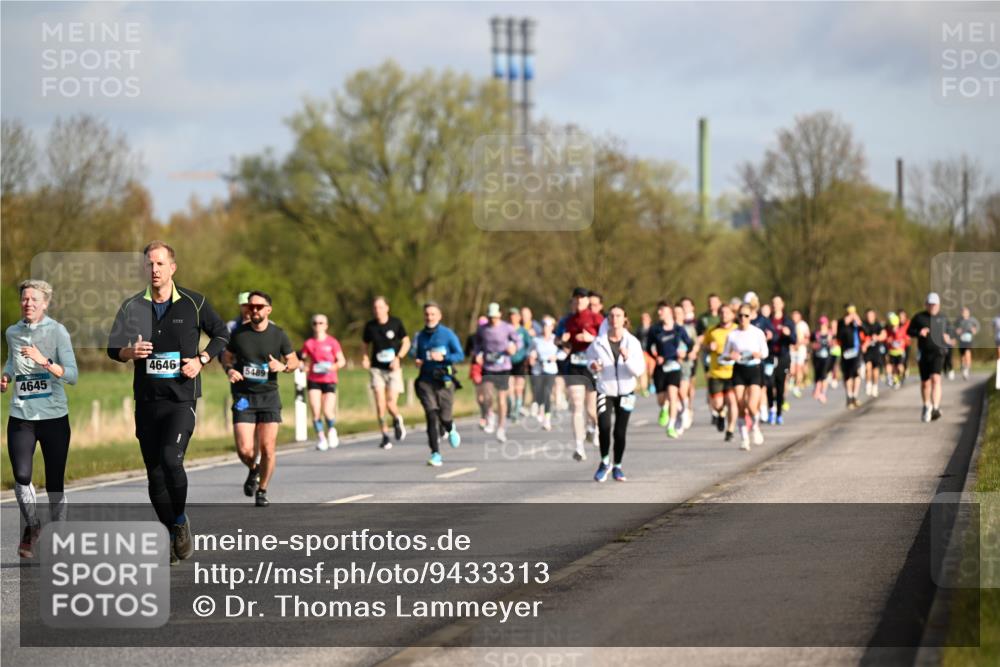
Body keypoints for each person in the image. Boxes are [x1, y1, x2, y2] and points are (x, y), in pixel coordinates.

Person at [107, 241, 229, 565]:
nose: (155, 270)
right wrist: (129, 353)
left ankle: (179, 523)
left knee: (171, 459)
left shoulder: (194, 302)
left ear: (172, 268)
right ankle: (170, 529)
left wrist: (202, 359)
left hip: (180, 399)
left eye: (160, 264)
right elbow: (112, 348)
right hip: (147, 400)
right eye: (149, 265)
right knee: (154, 474)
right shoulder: (132, 306)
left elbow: (221, 335)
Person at [2, 280, 78, 558]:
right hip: (21, 414)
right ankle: (32, 527)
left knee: (55, 483)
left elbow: (72, 375)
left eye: (34, 299)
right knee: (21, 477)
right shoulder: (12, 332)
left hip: (54, 417)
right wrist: (7, 375)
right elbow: (12, 361)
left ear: (45, 303)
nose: (28, 303)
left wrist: (43, 360)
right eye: (24, 299)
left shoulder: (58, 332)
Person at [222, 291, 299, 507]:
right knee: (245, 449)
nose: (254, 310)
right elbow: (226, 356)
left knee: (267, 448)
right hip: (244, 396)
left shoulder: (278, 335)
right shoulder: (238, 334)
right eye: (251, 306)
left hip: (269, 397)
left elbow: (294, 362)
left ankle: (262, 490)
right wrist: (229, 370)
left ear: (268, 310)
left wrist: (282, 366)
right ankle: (254, 469)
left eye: (259, 306)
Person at [587, 305, 646, 482]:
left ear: (624, 319)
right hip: (605, 390)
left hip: (627, 392)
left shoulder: (633, 343)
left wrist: (627, 358)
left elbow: (639, 370)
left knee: (620, 432)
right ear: (608, 319)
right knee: (604, 427)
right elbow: (588, 360)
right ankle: (605, 462)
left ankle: (618, 466)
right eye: (611, 316)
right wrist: (592, 366)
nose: (614, 319)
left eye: (618, 316)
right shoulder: (598, 343)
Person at [412, 302, 464, 465]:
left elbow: (460, 355)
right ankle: (435, 453)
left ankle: (450, 427)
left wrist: (444, 358)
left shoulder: (447, 334)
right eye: (427, 314)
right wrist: (417, 359)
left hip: (444, 381)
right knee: (431, 415)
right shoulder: (419, 336)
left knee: (444, 417)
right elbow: (414, 353)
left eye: (433, 314)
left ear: (439, 316)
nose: (429, 317)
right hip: (425, 381)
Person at [361, 296, 410, 449]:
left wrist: (398, 357)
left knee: (390, 403)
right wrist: (365, 358)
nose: (378, 310)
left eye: (380, 307)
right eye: (375, 308)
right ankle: (385, 436)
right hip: (377, 369)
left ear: (387, 308)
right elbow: (364, 344)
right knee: (380, 404)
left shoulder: (396, 323)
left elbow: (406, 342)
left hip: (393, 369)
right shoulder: (370, 326)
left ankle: (397, 418)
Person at [561, 287, 604, 460]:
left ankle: (596, 428)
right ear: (572, 302)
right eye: (576, 299)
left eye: (582, 299)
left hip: (592, 366)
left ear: (587, 301)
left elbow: (606, 340)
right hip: (575, 365)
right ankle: (579, 447)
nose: (579, 302)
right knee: (576, 405)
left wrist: (591, 339)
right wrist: (562, 342)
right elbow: (561, 341)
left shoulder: (597, 319)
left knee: (591, 409)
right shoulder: (568, 321)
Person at [722, 304, 769, 450]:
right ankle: (744, 439)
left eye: (746, 315)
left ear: (751, 316)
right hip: (739, 370)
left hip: (754, 369)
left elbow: (765, 352)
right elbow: (723, 356)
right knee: (741, 404)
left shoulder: (757, 332)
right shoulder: (732, 334)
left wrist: (758, 354)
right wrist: (731, 356)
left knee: (751, 405)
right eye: (740, 316)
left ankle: (755, 427)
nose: (743, 318)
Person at [473, 302, 520, 443]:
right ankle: (490, 415)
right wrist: (478, 354)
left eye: (494, 316)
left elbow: (518, 342)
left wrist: (513, 348)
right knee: (487, 395)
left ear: (499, 315)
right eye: (490, 317)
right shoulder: (482, 329)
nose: (492, 319)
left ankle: (501, 428)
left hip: (503, 367)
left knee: (501, 399)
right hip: (488, 366)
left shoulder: (507, 328)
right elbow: (477, 344)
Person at [647, 302, 693, 439]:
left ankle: (671, 426)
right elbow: (649, 347)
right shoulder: (655, 329)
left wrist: (684, 353)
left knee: (673, 395)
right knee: (661, 400)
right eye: (659, 310)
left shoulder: (679, 329)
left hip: (675, 366)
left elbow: (690, 344)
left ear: (669, 312)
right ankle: (664, 408)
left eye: (662, 310)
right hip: (661, 367)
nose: (660, 313)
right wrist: (656, 356)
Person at [301, 313, 346, 451]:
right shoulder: (309, 343)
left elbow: (342, 361)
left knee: (327, 411)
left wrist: (334, 366)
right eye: (315, 323)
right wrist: (303, 366)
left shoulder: (332, 342)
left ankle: (332, 430)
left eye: (321, 323)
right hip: (314, 379)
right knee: (315, 410)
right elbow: (302, 359)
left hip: (329, 379)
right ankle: (321, 438)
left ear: (326, 326)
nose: (318, 326)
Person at [907, 292, 953, 422]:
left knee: (936, 379)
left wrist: (948, 337)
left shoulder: (943, 318)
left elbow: (950, 331)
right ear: (926, 305)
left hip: (938, 353)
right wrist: (919, 332)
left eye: (935, 304)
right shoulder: (919, 317)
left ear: (938, 305)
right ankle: (927, 405)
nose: (933, 307)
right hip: (923, 353)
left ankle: (936, 408)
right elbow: (909, 331)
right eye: (930, 304)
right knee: (925, 383)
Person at [702, 304, 739, 442]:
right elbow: (703, 346)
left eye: (727, 312)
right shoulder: (712, 331)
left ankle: (730, 430)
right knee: (717, 403)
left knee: (732, 402)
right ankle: (721, 414)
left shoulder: (737, 330)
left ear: (732, 315)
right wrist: (708, 347)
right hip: (716, 372)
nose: (724, 315)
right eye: (722, 312)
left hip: (733, 372)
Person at [766, 295, 797, 425]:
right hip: (770, 357)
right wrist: (766, 337)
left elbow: (794, 340)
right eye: (773, 303)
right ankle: (771, 409)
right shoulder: (767, 321)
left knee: (780, 384)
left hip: (784, 358)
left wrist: (788, 334)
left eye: (778, 303)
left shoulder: (788, 321)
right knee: (768, 383)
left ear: (782, 305)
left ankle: (779, 413)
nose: (775, 305)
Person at [528, 317, 561, 431]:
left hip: (551, 369)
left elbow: (564, 352)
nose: (546, 328)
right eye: (544, 326)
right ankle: (540, 407)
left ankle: (547, 418)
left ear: (552, 327)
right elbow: (530, 352)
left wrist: (556, 357)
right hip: (537, 369)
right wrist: (532, 356)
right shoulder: (536, 340)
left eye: (548, 326)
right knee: (538, 391)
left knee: (547, 392)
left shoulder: (556, 339)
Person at [679, 298, 701, 431]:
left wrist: (693, 351)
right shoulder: (677, 323)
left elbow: (697, 340)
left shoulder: (695, 323)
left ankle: (689, 406)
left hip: (691, 358)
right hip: (678, 359)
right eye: (683, 305)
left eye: (687, 305)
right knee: (681, 386)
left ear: (692, 307)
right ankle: (684, 407)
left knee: (690, 384)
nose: (685, 307)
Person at [836, 305, 864, 409]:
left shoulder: (856, 323)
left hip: (857, 352)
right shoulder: (841, 322)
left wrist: (859, 322)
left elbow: (865, 331)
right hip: (846, 352)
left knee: (856, 374)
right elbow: (839, 336)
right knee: (847, 375)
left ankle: (855, 396)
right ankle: (849, 396)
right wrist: (845, 323)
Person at [507, 307, 533, 422]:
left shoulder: (523, 331)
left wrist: (527, 356)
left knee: (518, 389)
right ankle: (512, 408)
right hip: (507, 362)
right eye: (511, 315)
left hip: (520, 362)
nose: (512, 318)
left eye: (515, 315)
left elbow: (530, 345)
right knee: (509, 387)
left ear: (519, 317)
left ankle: (517, 410)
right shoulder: (505, 330)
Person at [861, 308, 886, 398]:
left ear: (874, 316)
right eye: (868, 316)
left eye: (871, 315)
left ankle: (875, 386)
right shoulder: (863, 325)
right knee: (868, 368)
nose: (869, 317)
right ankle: (868, 384)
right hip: (867, 351)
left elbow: (884, 335)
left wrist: (878, 337)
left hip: (876, 350)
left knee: (875, 369)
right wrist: (864, 344)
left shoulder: (878, 325)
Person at [811, 316, 834, 403]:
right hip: (817, 357)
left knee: (824, 375)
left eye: (823, 323)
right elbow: (811, 344)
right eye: (821, 323)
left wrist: (830, 342)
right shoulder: (816, 334)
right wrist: (814, 346)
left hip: (827, 357)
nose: (822, 325)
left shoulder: (830, 333)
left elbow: (834, 344)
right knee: (817, 374)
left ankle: (823, 393)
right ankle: (817, 389)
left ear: (827, 324)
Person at [954, 307, 980, 381]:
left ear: (968, 313)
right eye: (963, 312)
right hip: (961, 340)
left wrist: (974, 330)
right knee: (962, 355)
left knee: (967, 352)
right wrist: (956, 331)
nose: (964, 314)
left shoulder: (972, 320)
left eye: (966, 312)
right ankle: (963, 367)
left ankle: (967, 368)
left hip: (969, 339)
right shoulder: (959, 320)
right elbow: (954, 328)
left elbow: (977, 326)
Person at [885, 312, 909, 389]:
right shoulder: (888, 331)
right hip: (892, 352)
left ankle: (901, 376)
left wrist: (903, 342)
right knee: (893, 367)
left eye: (894, 326)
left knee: (899, 367)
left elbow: (906, 340)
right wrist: (888, 340)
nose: (893, 328)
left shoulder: (902, 330)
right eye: (892, 326)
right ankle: (894, 380)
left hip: (900, 352)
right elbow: (885, 338)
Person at [790, 310, 810, 398]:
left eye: (796, 316)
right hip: (792, 349)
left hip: (801, 349)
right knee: (792, 370)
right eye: (793, 316)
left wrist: (800, 344)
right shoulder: (790, 324)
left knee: (798, 368)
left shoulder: (803, 325)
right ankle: (791, 382)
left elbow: (807, 338)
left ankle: (796, 386)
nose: (795, 318)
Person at [633, 311, 654, 397]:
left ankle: (651, 384)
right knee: (644, 370)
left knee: (651, 370)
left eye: (646, 318)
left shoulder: (654, 328)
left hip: (652, 352)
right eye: (643, 318)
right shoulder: (639, 329)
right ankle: (644, 388)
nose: (644, 320)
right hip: (643, 352)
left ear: (650, 319)